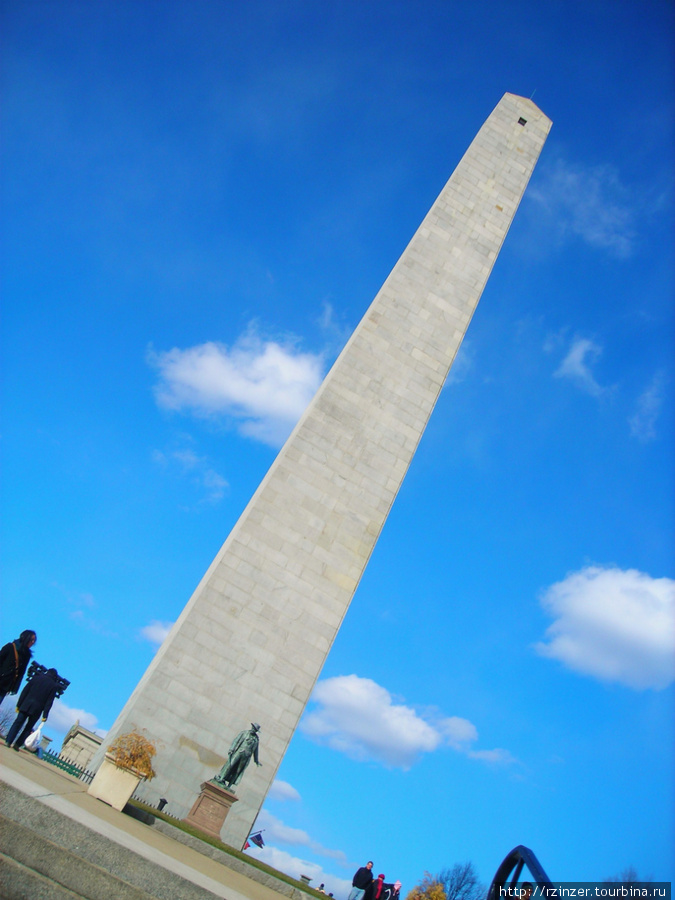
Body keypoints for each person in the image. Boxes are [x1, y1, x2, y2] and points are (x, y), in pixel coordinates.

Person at [5, 667, 59, 751]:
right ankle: (17, 744)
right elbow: (49, 702)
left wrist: (19, 704)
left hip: (26, 704)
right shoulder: (53, 686)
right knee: (28, 727)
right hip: (37, 709)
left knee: (17, 723)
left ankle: (8, 741)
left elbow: (25, 691)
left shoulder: (36, 678)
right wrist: (45, 715)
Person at [212, 723, 262, 789]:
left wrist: (256, 761)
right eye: (253, 728)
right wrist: (231, 749)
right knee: (230, 765)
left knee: (238, 771)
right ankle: (221, 778)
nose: (253, 730)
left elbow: (256, 751)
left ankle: (229, 785)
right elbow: (236, 740)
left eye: (255, 729)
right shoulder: (244, 733)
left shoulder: (256, 739)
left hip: (246, 757)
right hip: (239, 752)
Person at [0, 630, 36, 704]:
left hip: (6, 685)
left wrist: (15, 688)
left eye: (34, 640)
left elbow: (21, 672)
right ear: (25, 638)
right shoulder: (10, 647)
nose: (33, 642)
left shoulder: (27, 655)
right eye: (31, 639)